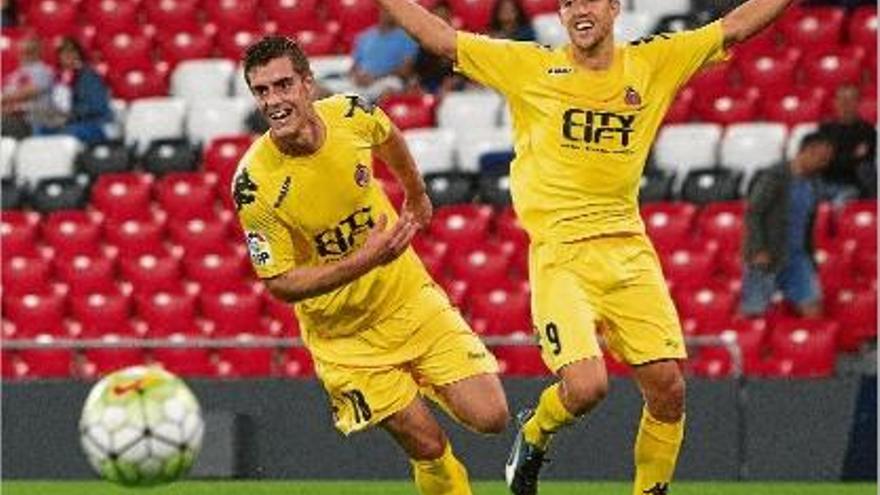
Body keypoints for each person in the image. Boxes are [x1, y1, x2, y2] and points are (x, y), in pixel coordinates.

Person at [374, 0, 800, 494]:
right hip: (561, 255)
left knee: (669, 390)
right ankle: (535, 432)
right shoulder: (531, 67)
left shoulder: (653, 62)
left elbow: (736, 25)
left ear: (614, 7)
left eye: (589, 0)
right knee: (587, 386)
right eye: (567, 2)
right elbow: (444, 41)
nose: (578, 10)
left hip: (627, 249)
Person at [234, 36, 509, 495]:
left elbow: (389, 137)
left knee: (492, 417)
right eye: (262, 91)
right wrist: (367, 258)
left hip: (409, 301)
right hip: (346, 339)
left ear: (307, 83)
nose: (274, 101)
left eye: (283, 85)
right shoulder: (254, 186)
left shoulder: (352, 114)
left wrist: (416, 194)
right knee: (427, 444)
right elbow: (279, 283)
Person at [740, 132, 835, 318]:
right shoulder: (775, 176)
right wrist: (759, 249)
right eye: (822, 159)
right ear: (807, 151)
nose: (824, 164)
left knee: (813, 307)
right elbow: (754, 213)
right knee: (754, 313)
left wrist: (811, 256)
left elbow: (808, 225)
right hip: (768, 255)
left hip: (798, 257)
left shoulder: (814, 184)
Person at [322, 9, 419, 102]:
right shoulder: (365, 36)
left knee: (390, 90)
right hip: (360, 81)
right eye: (386, 10)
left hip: (386, 81)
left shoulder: (407, 38)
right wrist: (357, 77)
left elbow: (405, 71)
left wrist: (375, 77)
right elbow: (354, 67)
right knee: (321, 89)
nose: (388, 13)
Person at [34, 37, 113, 145]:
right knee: (39, 130)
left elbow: (95, 107)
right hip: (68, 122)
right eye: (63, 52)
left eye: (71, 51)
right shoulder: (58, 78)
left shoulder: (88, 76)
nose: (67, 55)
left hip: (93, 123)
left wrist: (68, 117)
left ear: (78, 55)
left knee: (68, 132)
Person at [817, 84, 877, 202]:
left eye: (850, 99)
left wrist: (834, 157)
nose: (845, 103)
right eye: (841, 99)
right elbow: (821, 161)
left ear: (858, 103)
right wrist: (852, 156)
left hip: (851, 185)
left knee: (839, 204)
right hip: (823, 183)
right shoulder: (825, 129)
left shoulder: (867, 130)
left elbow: (864, 163)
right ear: (835, 102)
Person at [1, 36, 58, 139]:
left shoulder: (44, 71)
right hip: (10, 117)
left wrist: (4, 99)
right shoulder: (12, 75)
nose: (24, 54)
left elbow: (28, 92)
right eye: (22, 51)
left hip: (30, 121)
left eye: (30, 51)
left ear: (39, 52)